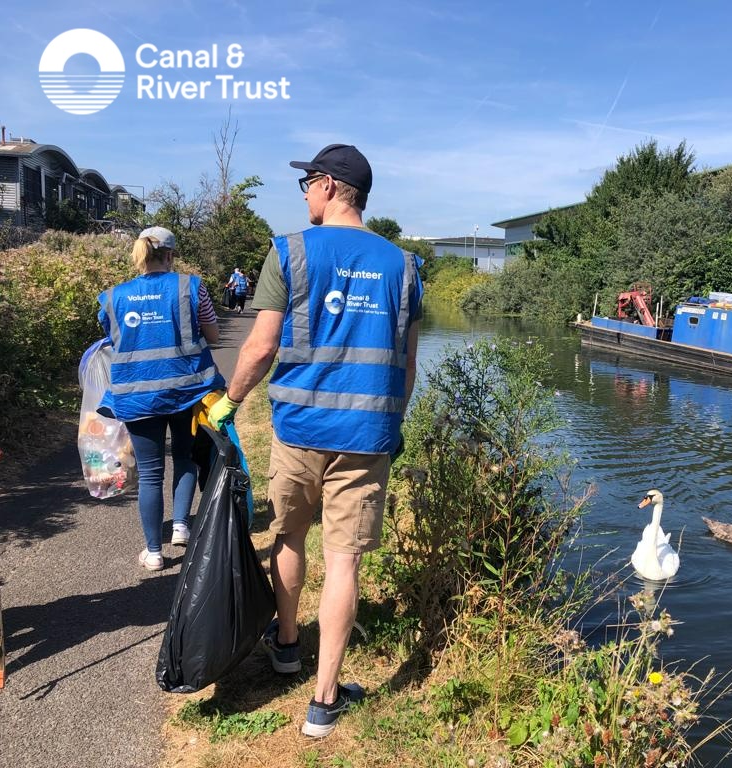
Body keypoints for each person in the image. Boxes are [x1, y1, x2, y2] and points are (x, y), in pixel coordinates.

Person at [208, 144, 423, 738]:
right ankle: (325, 701)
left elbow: (260, 346)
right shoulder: (404, 266)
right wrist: (393, 422)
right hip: (365, 436)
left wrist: (230, 402)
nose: (304, 193)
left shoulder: (290, 252)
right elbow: (406, 362)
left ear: (329, 186)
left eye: (307, 182)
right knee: (345, 560)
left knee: (288, 535)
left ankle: (284, 646)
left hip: (299, 431)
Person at [97, 226, 225, 571]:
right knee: (184, 457)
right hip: (187, 391)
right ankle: (181, 525)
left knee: (151, 474)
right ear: (170, 255)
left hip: (136, 397)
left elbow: (113, 340)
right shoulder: (191, 287)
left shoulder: (112, 297)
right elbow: (212, 335)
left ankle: (154, 552)